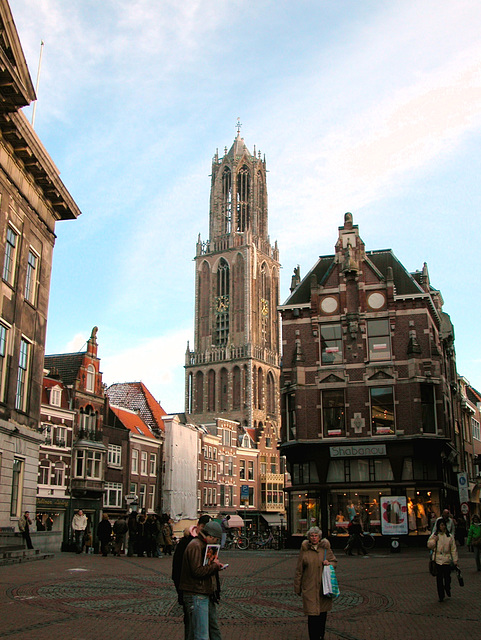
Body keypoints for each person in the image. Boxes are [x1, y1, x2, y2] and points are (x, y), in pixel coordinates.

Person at [180, 520, 224, 640]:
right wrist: (214, 566)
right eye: (216, 540)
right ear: (210, 536)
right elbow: (197, 571)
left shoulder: (201, 545)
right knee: (201, 634)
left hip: (204, 592)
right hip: (197, 593)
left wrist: (214, 566)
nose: (216, 543)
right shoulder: (196, 546)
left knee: (210, 630)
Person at [294, 526, 337, 640]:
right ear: (309, 537)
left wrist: (329, 564)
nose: (314, 538)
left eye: (316, 536)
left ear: (319, 537)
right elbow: (299, 569)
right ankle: (313, 637)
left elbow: (334, 562)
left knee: (322, 615)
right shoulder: (304, 550)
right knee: (312, 616)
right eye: (312, 536)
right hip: (310, 587)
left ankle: (321, 636)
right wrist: (297, 587)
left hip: (324, 586)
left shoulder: (326, 549)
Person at [172, 514, 211, 640]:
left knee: (205, 627)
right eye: (203, 527)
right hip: (191, 590)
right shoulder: (187, 543)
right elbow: (177, 569)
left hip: (205, 591)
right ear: (198, 526)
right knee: (192, 628)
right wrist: (180, 590)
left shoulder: (207, 543)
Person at [427, 519, 458, 602]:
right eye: (441, 525)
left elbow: (453, 549)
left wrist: (455, 560)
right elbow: (429, 545)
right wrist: (434, 540)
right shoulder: (435, 535)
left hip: (447, 560)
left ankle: (447, 587)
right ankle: (441, 595)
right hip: (437, 560)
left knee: (447, 577)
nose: (442, 527)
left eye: (443, 525)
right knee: (439, 579)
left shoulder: (449, 536)